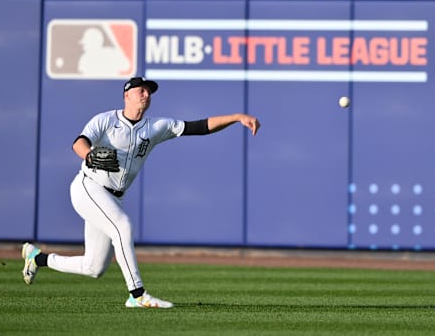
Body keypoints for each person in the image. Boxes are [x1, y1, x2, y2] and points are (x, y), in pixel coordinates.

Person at [21, 76, 261, 308]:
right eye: (141, 90)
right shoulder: (105, 120)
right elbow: (79, 143)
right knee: (123, 226)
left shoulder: (155, 127)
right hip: (88, 187)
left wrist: (237, 117)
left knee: (94, 267)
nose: (146, 94)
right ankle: (137, 294)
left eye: (149, 91)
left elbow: (198, 127)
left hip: (113, 197)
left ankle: (37, 258)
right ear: (127, 95)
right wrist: (90, 155)